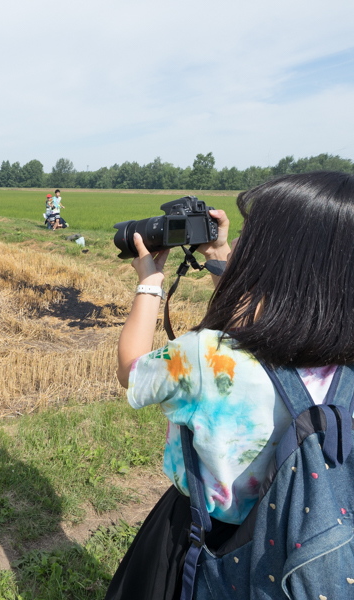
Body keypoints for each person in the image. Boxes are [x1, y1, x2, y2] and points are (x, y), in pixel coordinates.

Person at [105, 171, 354, 600]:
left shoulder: (206, 357)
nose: (237, 244)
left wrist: (149, 282)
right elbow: (263, 330)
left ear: (276, 259)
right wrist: (218, 256)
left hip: (206, 539)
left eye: (250, 237)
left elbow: (132, 369)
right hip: (300, 540)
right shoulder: (343, 363)